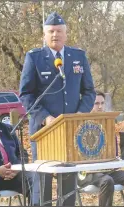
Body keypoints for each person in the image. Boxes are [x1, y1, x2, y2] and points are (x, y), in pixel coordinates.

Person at [19, 11, 96, 205]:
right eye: (51, 31)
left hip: (71, 130)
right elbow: (26, 94)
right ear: (44, 35)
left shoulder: (78, 56)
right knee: (43, 181)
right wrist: (45, 117)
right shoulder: (34, 58)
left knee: (68, 180)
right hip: (44, 130)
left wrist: (79, 115)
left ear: (66, 34)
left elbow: (89, 91)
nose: (55, 35)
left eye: (59, 31)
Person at [78, 90, 124, 206]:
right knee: (107, 181)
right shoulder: (80, 123)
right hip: (87, 173)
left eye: (102, 103)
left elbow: (114, 149)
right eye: (96, 103)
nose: (100, 107)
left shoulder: (107, 123)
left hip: (108, 170)